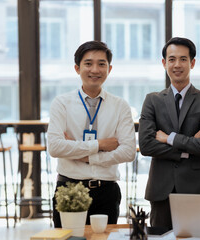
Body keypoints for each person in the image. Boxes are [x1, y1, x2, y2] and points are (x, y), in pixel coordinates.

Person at [47, 41, 136, 227]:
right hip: (69, 189)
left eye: (101, 64)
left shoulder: (120, 106)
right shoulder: (61, 104)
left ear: (109, 69)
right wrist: (100, 144)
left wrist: (87, 157)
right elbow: (55, 147)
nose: (95, 69)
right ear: (77, 68)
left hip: (106, 191)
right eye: (88, 63)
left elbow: (128, 152)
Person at [139, 37, 200, 229]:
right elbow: (146, 145)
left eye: (183, 59)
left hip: (196, 188)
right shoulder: (152, 100)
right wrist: (188, 147)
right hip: (161, 187)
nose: (177, 64)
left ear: (192, 63)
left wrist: (169, 138)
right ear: (164, 63)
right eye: (172, 59)